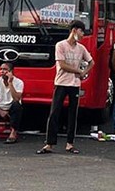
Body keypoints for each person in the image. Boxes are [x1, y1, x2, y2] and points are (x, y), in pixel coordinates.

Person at [38, 20, 94, 155]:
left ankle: (70, 143)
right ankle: (49, 143)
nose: (82, 35)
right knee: (54, 113)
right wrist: (78, 71)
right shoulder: (60, 45)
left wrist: (84, 73)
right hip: (61, 83)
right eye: (81, 31)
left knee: (72, 114)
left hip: (74, 84)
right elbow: (62, 65)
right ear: (74, 30)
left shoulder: (81, 48)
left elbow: (91, 62)